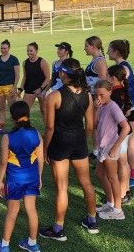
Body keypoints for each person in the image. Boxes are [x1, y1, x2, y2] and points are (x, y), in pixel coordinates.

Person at [41, 61, 98, 236]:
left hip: (60, 143)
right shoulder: (87, 95)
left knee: (62, 187)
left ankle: (58, 228)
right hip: (79, 142)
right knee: (86, 183)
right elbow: (90, 126)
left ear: (65, 74)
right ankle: (92, 221)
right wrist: (82, 139)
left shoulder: (54, 96)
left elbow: (49, 127)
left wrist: (44, 148)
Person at [0, 101, 44, 252]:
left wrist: (0, 181)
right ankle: (33, 244)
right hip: (32, 177)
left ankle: (5, 246)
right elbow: (40, 158)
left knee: (12, 211)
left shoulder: (7, 137)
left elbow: (3, 162)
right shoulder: (36, 133)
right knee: (31, 210)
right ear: (28, 115)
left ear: (12, 117)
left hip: (15, 179)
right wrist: (39, 178)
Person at [107, 39, 134, 189]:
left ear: (116, 52)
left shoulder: (122, 68)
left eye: (109, 49)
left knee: (130, 142)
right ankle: (129, 173)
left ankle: (133, 177)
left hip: (131, 108)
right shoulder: (120, 66)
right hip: (130, 107)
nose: (108, 52)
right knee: (128, 142)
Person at [93, 80, 131, 220]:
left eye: (102, 95)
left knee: (112, 178)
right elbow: (96, 125)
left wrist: (115, 147)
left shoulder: (113, 107)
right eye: (96, 95)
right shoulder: (102, 106)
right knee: (99, 173)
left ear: (110, 92)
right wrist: (96, 109)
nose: (98, 98)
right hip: (103, 147)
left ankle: (118, 211)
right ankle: (110, 203)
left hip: (110, 147)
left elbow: (126, 127)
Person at [107, 64, 134, 205]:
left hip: (120, 132)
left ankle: (123, 193)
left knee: (122, 163)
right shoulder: (123, 90)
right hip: (125, 130)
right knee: (123, 163)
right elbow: (128, 110)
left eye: (107, 76)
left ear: (112, 78)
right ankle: (126, 190)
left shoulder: (115, 94)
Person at [0, 39, 20, 135]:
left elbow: (17, 75)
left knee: (12, 108)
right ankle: (1, 128)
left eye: (5, 48)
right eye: (1, 48)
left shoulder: (14, 59)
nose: (3, 50)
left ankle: (16, 127)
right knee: (1, 108)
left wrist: (14, 87)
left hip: (10, 86)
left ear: (9, 48)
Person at [19, 42, 50, 115]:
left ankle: (48, 127)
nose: (29, 53)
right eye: (27, 51)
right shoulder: (25, 63)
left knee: (44, 111)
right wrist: (20, 89)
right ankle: (25, 126)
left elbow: (47, 78)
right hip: (29, 90)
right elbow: (25, 77)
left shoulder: (42, 62)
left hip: (42, 91)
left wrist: (40, 89)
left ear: (36, 51)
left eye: (31, 51)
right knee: (24, 111)